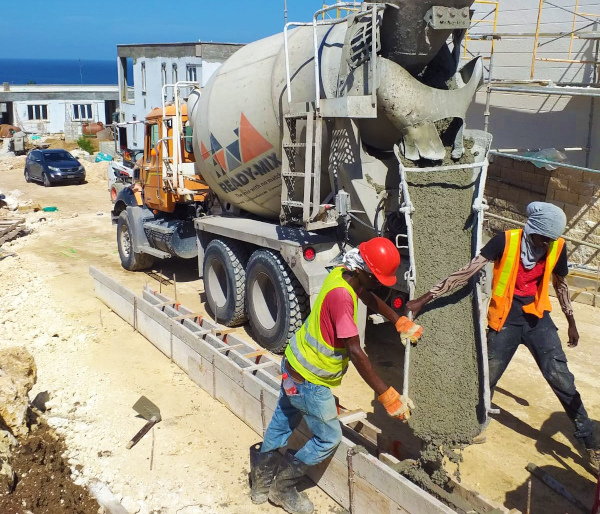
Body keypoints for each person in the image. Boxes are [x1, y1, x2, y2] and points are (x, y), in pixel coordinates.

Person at [407, 202, 599, 475]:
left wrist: (571, 322)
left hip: (536, 318)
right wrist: (425, 298)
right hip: (505, 319)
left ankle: (592, 443)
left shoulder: (556, 246)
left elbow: (561, 284)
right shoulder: (505, 241)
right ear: (532, 229)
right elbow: (467, 271)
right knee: (487, 377)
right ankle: (475, 424)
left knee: (562, 378)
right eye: (543, 237)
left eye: (551, 240)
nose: (546, 244)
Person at [249, 237, 422, 514]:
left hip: (294, 365)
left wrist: (398, 320)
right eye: (376, 277)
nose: (379, 282)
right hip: (310, 382)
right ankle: (282, 489)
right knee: (328, 438)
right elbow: (356, 352)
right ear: (363, 271)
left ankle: (258, 486)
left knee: (282, 424)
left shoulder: (343, 274)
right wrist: (387, 395)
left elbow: (369, 296)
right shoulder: (342, 298)